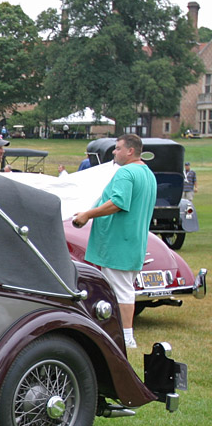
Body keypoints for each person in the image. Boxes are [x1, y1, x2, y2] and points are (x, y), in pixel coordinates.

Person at [70, 134, 155, 349]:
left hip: (119, 242)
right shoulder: (147, 173)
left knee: (121, 290)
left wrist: (88, 214)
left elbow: (118, 202)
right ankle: (116, 330)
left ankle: (126, 337)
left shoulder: (126, 172)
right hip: (134, 241)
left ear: (130, 151)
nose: (114, 152)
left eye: (117, 148)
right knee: (123, 288)